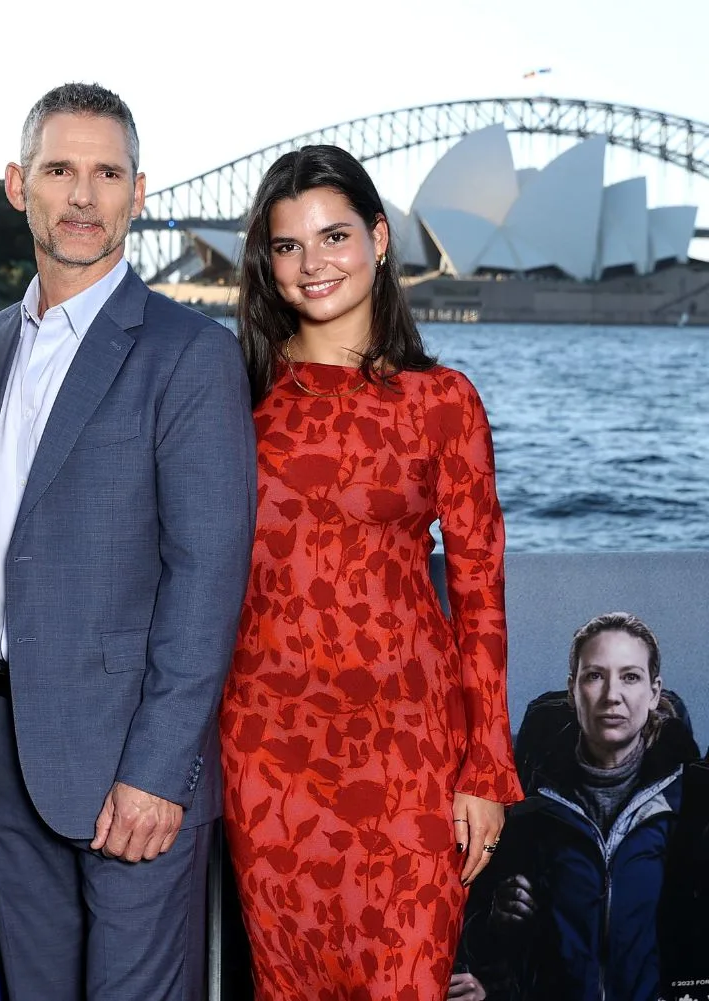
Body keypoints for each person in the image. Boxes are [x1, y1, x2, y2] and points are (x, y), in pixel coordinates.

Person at [0, 82, 256, 1001]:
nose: (83, 196)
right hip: (1, 749)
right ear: (18, 185)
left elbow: (208, 581)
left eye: (107, 174)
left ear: (141, 192)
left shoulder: (190, 353)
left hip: (129, 762)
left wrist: (159, 771)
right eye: (60, 170)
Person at [220, 144, 523, 1001]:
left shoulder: (443, 402)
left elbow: (479, 596)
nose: (313, 264)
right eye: (288, 246)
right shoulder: (234, 393)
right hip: (267, 751)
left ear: (381, 238)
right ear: (268, 264)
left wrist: (484, 772)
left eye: (336, 235)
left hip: (406, 754)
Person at [462, 612, 700, 1001]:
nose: (611, 695)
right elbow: (477, 948)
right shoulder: (524, 810)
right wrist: (496, 924)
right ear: (573, 691)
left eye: (630, 677)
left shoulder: (693, 803)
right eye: (594, 676)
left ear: (654, 693)